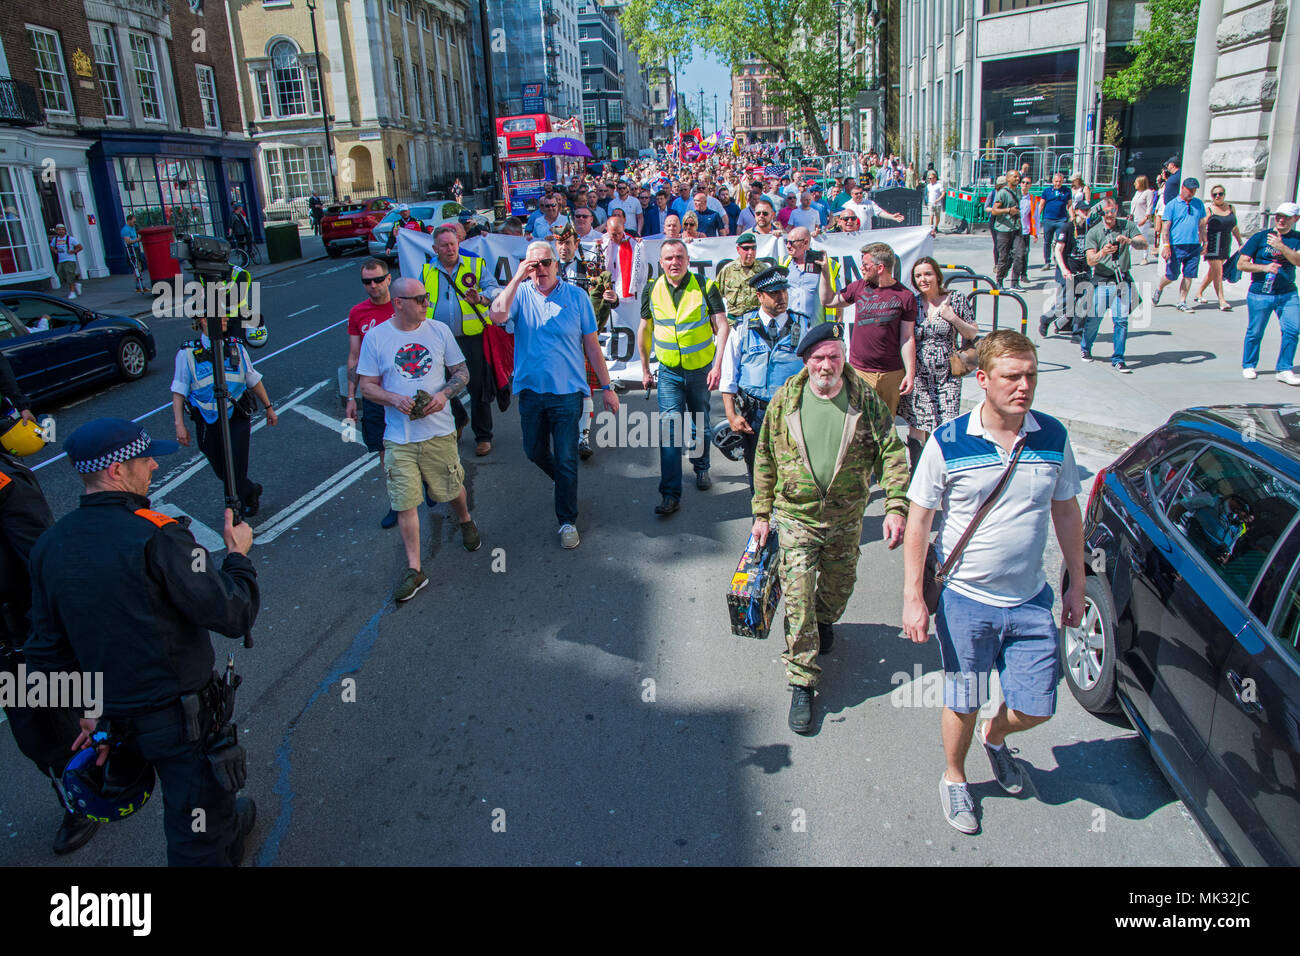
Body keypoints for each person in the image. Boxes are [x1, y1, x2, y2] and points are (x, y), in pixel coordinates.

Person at [25, 417, 261, 866]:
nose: (153, 464)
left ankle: (227, 826)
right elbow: (233, 612)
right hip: (179, 719)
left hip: (114, 720)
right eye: (144, 458)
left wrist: (89, 713)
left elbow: (47, 651)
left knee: (211, 805)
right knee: (196, 830)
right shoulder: (160, 534)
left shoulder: (49, 546)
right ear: (116, 471)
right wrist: (237, 556)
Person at [901, 330, 1085, 835]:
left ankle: (996, 736)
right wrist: (914, 597)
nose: (1023, 387)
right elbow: (919, 520)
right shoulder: (949, 441)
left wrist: (1077, 582)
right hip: (966, 601)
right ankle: (956, 777)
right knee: (963, 697)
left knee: (1036, 707)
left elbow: (1066, 509)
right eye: (1011, 377)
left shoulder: (1053, 437)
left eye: (1030, 376)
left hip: (1030, 601)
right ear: (982, 380)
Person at [752, 322, 909, 733]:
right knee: (797, 599)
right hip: (796, 517)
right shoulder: (785, 399)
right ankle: (802, 679)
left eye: (834, 356)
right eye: (819, 357)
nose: (827, 365)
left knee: (838, 589)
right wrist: (761, 514)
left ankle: (825, 620)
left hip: (845, 518)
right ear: (806, 360)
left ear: (843, 358)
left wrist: (895, 505)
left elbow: (890, 451)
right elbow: (765, 457)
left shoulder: (864, 399)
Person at [0, 446, 100, 855]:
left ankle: (87, 796)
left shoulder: (4, 483)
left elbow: (40, 559)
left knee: (49, 725)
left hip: (22, 633)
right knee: (33, 731)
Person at [489, 243, 619, 548]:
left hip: (567, 394)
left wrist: (607, 387)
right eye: (534, 265)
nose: (541, 269)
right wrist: (518, 276)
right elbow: (496, 316)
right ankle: (565, 483)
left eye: (546, 262)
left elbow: (591, 346)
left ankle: (567, 520)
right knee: (534, 452)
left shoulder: (577, 297)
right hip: (532, 393)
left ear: (557, 264)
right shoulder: (519, 294)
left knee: (565, 457)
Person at [358, 277, 480, 601]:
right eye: (419, 299)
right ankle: (415, 568)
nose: (426, 302)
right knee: (404, 500)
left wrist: (444, 395)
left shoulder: (438, 330)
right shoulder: (376, 337)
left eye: (426, 297)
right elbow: (366, 385)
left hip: (439, 430)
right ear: (399, 303)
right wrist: (392, 399)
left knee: (451, 487)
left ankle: (465, 519)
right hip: (399, 436)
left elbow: (462, 373)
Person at [638, 239, 729, 515]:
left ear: (687, 260)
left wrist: (717, 366)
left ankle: (701, 468)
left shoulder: (704, 286)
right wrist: (644, 368)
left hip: (700, 370)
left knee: (699, 425)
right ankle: (670, 494)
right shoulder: (652, 289)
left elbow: (722, 326)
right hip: (668, 372)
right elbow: (644, 329)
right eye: (668, 258)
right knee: (669, 431)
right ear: (661, 262)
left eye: (679, 257)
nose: (674, 262)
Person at [719, 265, 823, 485]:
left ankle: (789, 518)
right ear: (759, 296)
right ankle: (762, 517)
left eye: (783, 291)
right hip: (755, 414)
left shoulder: (803, 325)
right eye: (774, 293)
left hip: (794, 411)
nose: (781, 297)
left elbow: (817, 371)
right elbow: (729, 375)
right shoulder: (742, 327)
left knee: (796, 471)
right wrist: (731, 415)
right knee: (759, 472)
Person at [171, 311, 278, 517]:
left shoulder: (236, 346)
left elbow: (252, 378)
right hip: (206, 419)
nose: (226, 320)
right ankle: (250, 490)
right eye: (220, 316)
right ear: (204, 320)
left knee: (236, 467)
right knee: (221, 468)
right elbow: (179, 389)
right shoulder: (186, 354)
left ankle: (236, 512)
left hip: (236, 415)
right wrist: (179, 423)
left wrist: (268, 407)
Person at [421, 224, 502, 456]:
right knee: (440, 385)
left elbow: (494, 289)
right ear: (435, 248)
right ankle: (459, 417)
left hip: (472, 338)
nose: (450, 249)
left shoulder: (475, 266)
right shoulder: (427, 271)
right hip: (438, 341)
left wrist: (482, 298)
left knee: (478, 387)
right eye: (444, 245)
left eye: (453, 244)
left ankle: (483, 436)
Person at [900, 258, 980, 472]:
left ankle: (948, 470)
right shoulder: (913, 303)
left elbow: (972, 333)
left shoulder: (955, 299)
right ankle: (917, 473)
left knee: (948, 426)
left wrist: (953, 318)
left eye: (927, 274)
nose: (923, 279)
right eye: (918, 276)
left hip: (947, 375)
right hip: (919, 375)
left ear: (937, 275)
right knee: (917, 425)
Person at [820, 241, 917, 417]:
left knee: (886, 426)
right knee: (856, 424)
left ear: (880, 268)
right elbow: (828, 301)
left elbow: (907, 338)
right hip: (860, 371)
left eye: (865, 265)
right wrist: (825, 272)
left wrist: (910, 374)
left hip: (891, 373)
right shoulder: (859, 287)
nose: (862, 269)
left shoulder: (905, 296)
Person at [345, 259, 402, 528]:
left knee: (419, 445)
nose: (373, 286)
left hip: (405, 388)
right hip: (375, 394)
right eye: (367, 282)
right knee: (384, 451)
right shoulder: (358, 313)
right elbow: (354, 357)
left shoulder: (403, 304)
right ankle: (396, 503)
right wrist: (351, 397)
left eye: (378, 280)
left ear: (389, 279)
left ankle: (430, 483)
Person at [1237, 202, 1300, 384]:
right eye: (1279, 216)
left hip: (1287, 293)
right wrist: (1263, 267)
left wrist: (1281, 247)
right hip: (1260, 293)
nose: (1281, 220)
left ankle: (1284, 369)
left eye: (1287, 217)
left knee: (1292, 330)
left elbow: (1298, 261)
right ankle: (1249, 364)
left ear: (1295, 219)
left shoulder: (1296, 238)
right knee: (1255, 331)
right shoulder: (1260, 237)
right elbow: (1242, 264)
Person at [1083, 196, 1147, 372]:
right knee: (1094, 319)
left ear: (1117, 209)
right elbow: (1090, 261)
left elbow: (1144, 244)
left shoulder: (1127, 226)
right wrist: (1102, 252)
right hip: (1103, 279)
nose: (1109, 215)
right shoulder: (1094, 232)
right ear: (1102, 211)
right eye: (1106, 211)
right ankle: (1085, 347)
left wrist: (1130, 241)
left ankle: (1118, 358)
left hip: (1122, 279)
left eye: (1112, 211)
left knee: (1121, 321)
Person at [1039, 198, 1092, 338]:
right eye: (1083, 210)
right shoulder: (1067, 227)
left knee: (1083, 303)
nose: (1086, 212)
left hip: (1084, 271)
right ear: (1076, 211)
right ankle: (1045, 320)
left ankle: (1077, 332)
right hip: (1068, 271)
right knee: (1063, 306)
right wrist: (1064, 269)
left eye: (1088, 210)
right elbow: (1058, 250)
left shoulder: (1090, 227)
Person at [1154, 177, 1207, 312]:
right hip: (1176, 245)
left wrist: (1205, 242)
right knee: (1172, 275)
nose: (1192, 193)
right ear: (1183, 188)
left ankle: (1182, 301)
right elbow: (1166, 227)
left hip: (1193, 245)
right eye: (1190, 190)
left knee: (1189, 274)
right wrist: (1166, 246)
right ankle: (1159, 288)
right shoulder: (1172, 205)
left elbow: (1201, 225)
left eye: (1194, 190)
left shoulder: (1198, 204)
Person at [1194, 186, 1244, 311]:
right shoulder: (1209, 209)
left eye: (1220, 194)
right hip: (1213, 243)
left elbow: (1234, 227)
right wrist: (1202, 244)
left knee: (1214, 272)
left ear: (1224, 194)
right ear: (1211, 197)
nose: (1217, 196)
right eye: (1214, 194)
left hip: (1225, 243)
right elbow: (1201, 227)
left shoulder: (1231, 208)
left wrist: (1240, 243)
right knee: (1218, 272)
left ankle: (1199, 292)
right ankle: (1222, 300)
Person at [780, 226, 838, 323]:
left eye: (792, 242)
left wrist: (838, 328)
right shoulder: (783, 263)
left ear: (805, 242)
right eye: (786, 241)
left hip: (816, 329)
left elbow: (836, 299)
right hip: (790, 330)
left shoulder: (825, 264)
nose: (788, 246)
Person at [717, 231, 767, 324]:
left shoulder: (764, 270)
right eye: (746, 248)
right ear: (738, 249)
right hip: (733, 322)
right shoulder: (727, 270)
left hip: (757, 322)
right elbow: (716, 297)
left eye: (753, 248)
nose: (750, 252)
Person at [989, 171, 1023, 288]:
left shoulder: (1018, 191)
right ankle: (999, 281)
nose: (1017, 178)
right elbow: (994, 210)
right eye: (1014, 177)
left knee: (1019, 254)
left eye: (1018, 176)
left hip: (1016, 228)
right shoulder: (1002, 193)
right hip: (1003, 229)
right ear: (1008, 179)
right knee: (1003, 256)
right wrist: (1008, 210)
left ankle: (1015, 282)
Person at [1038, 172, 1072, 270]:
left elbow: (1069, 205)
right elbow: (1041, 205)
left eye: (1060, 181)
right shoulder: (1047, 191)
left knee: (1060, 241)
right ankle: (1047, 262)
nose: (1058, 183)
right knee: (1047, 241)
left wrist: (1072, 216)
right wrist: (1036, 217)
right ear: (1053, 181)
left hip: (1061, 220)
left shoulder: (1066, 191)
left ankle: (1058, 259)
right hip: (1049, 219)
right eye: (1056, 181)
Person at [49, 224, 83, 299]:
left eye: (62, 229)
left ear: (65, 230)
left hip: (70, 260)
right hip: (61, 260)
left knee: (70, 275)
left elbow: (80, 247)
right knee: (61, 275)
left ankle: (72, 292)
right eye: (59, 229)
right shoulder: (55, 239)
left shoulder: (70, 239)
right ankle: (76, 285)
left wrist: (73, 251)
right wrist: (54, 250)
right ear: (57, 231)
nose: (61, 231)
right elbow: (51, 246)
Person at [1129, 175, 1156, 265]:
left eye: (1136, 182)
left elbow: (1150, 206)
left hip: (1142, 220)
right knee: (1131, 238)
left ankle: (1145, 257)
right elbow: (1133, 205)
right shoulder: (1137, 193)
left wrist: (1146, 218)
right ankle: (1127, 257)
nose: (1134, 184)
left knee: (1142, 239)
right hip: (1134, 219)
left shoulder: (1148, 193)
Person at [120, 213, 150, 294]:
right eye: (133, 221)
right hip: (131, 250)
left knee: (140, 267)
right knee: (136, 267)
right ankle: (138, 285)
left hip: (136, 248)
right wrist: (138, 239)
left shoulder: (134, 228)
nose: (134, 223)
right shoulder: (125, 230)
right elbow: (128, 241)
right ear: (129, 220)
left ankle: (140, 285)